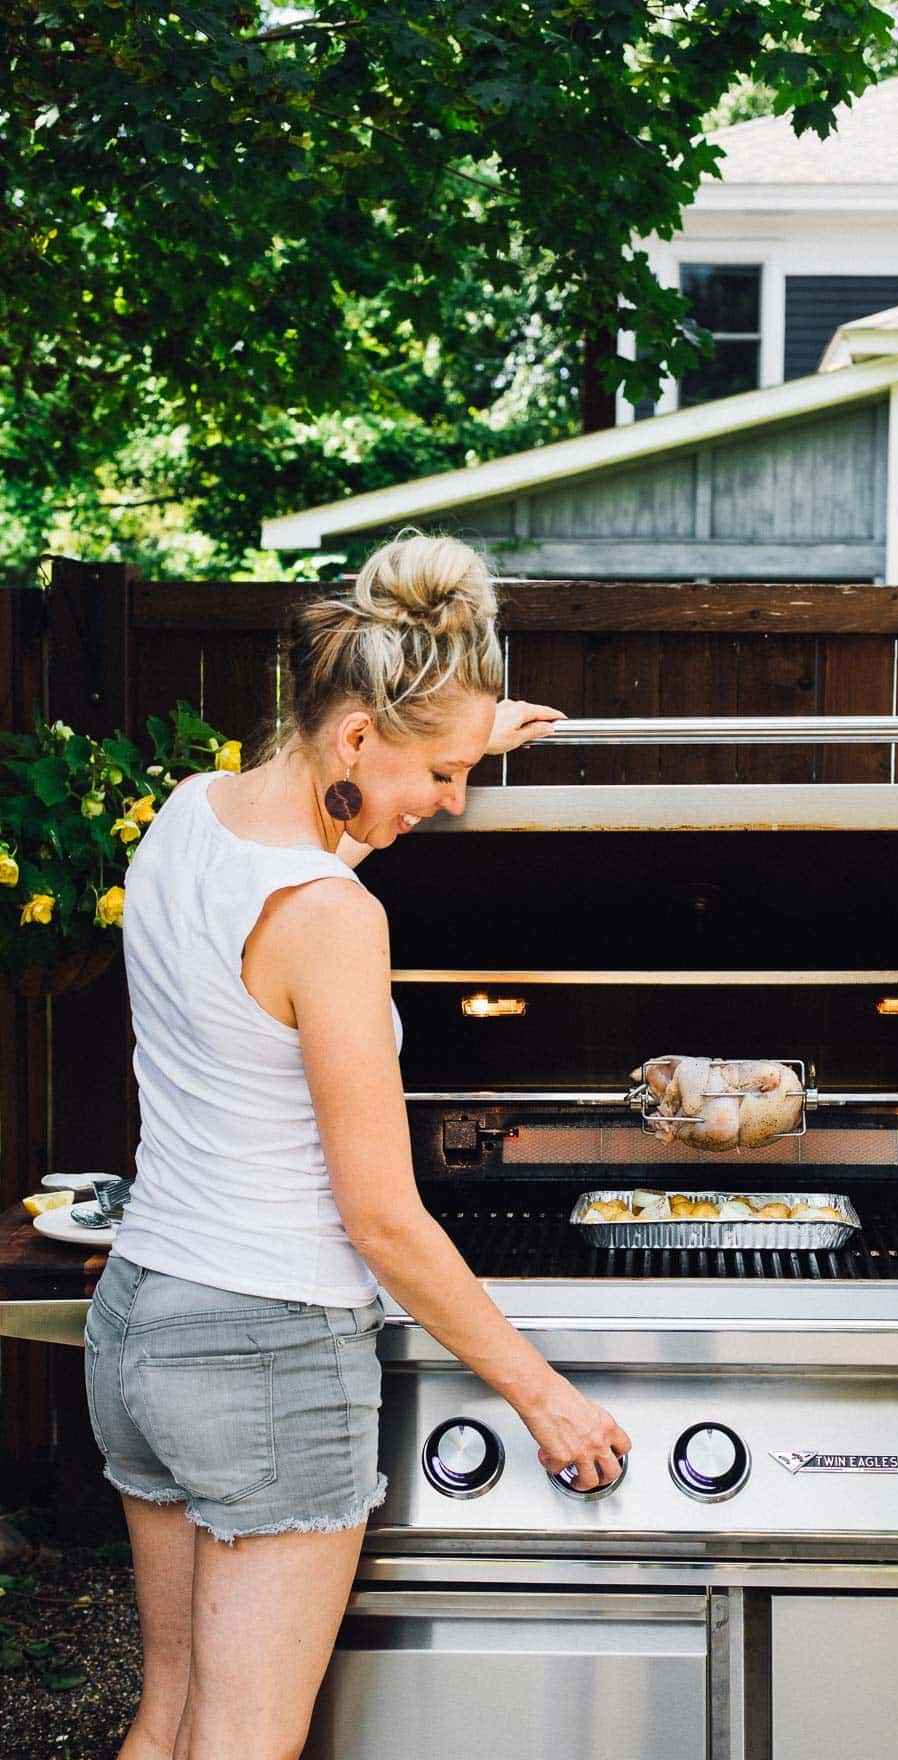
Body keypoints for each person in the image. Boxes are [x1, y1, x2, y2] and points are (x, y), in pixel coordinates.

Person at [84, 533, 632, 1760]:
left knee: (167, 1715)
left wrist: (454, 730)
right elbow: (382, 1218)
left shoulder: (189, 818)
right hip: (266, 1350)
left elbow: (311, 835)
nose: (449, 799)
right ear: (354, 739)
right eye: (439, 771)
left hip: (141, 1326)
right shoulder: (334, 916)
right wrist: (543, 1398)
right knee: (243, 1741)